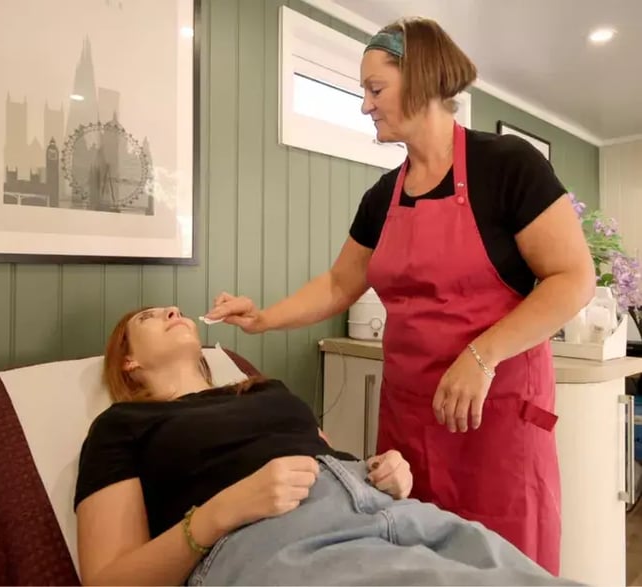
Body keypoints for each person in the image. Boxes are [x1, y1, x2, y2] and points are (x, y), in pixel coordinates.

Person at [203, 17, 595, 576]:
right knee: (415, 564)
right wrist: (263, 318)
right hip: (409, 428)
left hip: (496, 421)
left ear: (424, 79)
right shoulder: (381, 196)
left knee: (505, 568)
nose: (365, 105)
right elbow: (341, 283)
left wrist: (481, 355)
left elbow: (573, 278)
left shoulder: (507, 166)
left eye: (375, 88)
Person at [73, 305, 578, 586]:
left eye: (172, 308)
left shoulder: (263, 388)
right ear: (128, 363)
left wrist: (387, 470)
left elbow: (328, 455)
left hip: (386, 511)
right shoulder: (122, 424)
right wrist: (223, 510)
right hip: (273, 541)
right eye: (149, 318)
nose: (171, 310)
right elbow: (109, 580)